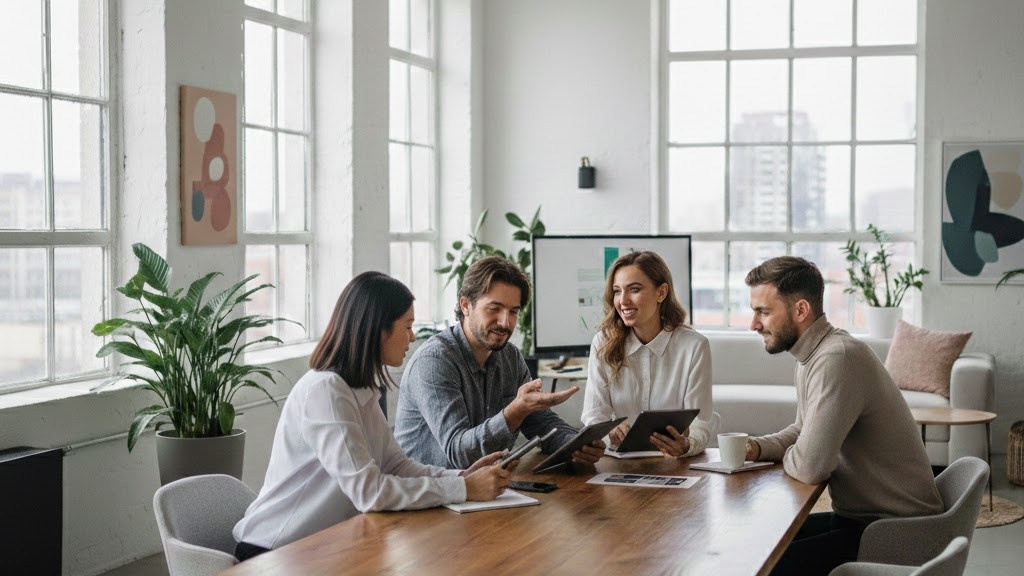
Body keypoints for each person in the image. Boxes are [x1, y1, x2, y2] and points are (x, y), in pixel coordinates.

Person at [232, 272, 513, 561]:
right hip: (273, 552)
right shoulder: (325, 392)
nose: (412, 336)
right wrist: (463, 488)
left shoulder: (360, 386)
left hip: (323, 546)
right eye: (407, 326)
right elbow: (370, 492)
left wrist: (463, 476)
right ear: (379, 330)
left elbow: (395, 465)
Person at [743, 256, 943, 575]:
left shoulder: (838, 359)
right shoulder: (813, 355)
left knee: (761, 565)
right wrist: (754, 448)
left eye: (763, 312)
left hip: (895, 534)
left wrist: (802, 452)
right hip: (867, 522)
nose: (754, 324)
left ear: (801, 310)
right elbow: (802, 431)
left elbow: (811, 467)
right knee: (756, 545)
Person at [394, 256, 606, 469]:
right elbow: (461, 455)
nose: (505, 322)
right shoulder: (434, 362)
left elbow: (542, 423)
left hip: (482, 491)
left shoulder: (509, 356)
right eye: (494, 309)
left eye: (513, 311)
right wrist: (515, 412)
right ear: (466, 305)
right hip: (431, 495)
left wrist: (577, 445)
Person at [581, 250, 716, 457]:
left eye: (634, 289)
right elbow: (593, 414)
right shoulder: (603, 342)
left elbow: (702, 422)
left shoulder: (694, 346)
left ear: (661, 293)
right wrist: (609, 432)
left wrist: (686, 445)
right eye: (617, 291)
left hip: (673, 463)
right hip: (618, 462)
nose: (623, 301)